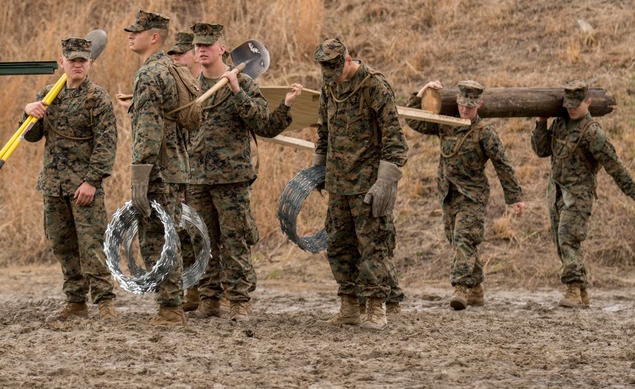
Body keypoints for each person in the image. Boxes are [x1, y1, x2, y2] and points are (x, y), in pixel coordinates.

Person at [185, 22, 301, 321]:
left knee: (234, 239)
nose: (201, 50)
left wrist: (237, 92)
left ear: (221, 49)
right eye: (197, 46)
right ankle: (209, 299)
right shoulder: (190, 86)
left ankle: (239, 300)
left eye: (208, 45)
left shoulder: (244, 84)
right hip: (197, 177)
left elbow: (265, 125)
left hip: (232, 178)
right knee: (202, 240)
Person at [312, 37, 407, 331]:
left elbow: (395, 140)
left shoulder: (375, 87)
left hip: (368, 184)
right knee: (338, 246)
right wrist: (318, 169)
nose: (332, 76)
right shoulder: (330, 87)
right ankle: (349, 305)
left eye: (336, 69)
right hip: (339, 183)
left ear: (349, 59)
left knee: (372, 247)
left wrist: (385, 183)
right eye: (326, 72)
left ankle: (376, 307)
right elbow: (324, 131)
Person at [407, 80, 525, 310]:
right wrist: (421, 92)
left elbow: (503, 165)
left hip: (472, 196)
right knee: (460, 242)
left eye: (470, 106)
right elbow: (414, 120)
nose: (465, 109)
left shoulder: (485, 133)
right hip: (448, 194)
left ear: (479, 104)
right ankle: (476, 289)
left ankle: (460, 287)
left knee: (463, 239)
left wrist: (515, 197)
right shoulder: (445, 124)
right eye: (462, 104)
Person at [531, 79, 635, 308]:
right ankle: (583, 292)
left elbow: (613, 164)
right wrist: (540, 122)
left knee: (568, 238)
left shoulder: (593, 132)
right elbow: (541, 150)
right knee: (560, 241)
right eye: (568, 104)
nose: (572, 108)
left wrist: (634, 192)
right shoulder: (560, 124)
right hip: (555, 192)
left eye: (577, 104)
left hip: (579, 195)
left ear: (589, 102)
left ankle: (573, 289)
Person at [23, 36, 118, 321]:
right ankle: (75, 301)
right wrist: (28, 113)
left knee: (91, 245)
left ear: (90, 64)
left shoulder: (97, 98)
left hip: (83, 185)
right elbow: (31, 136)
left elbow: (106, 143)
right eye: (72, 60)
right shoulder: (49, 94)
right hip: (53, 184)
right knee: (62, 244)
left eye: (82, 61)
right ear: (61, 63)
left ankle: (104, 302)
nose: (77, 65)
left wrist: (92, 181)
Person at [126, 9, 187, 325]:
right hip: (172, 167)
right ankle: (171, 305)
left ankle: (170, 308)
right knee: (168, 235)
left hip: (157, 172)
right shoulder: (172, 69)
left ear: (154, 37)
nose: (130, 35)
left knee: (156, 239)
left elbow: (148, 130)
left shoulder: (149, 74)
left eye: (137, 31)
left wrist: (140, 176)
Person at [166, 31, 204, 312]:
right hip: (183, 170)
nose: (176, 58)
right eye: (173, 54)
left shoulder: (209, 83)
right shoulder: (174, 86)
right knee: (183, 233)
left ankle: (218, 291)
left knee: (208, 234)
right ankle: (192, 291)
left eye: (181, 53)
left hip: (209, 171)